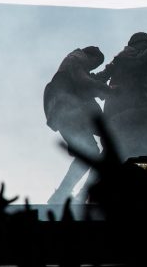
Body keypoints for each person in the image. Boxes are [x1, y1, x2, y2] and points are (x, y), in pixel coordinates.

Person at [43, 46, 110, 204]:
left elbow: (89, 82)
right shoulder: (76, 60)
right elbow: (84, 82)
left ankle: (64, 193)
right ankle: (71, 193)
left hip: (73, 114)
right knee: (92, 150)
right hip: (70, 113)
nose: (93, 67)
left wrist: (107, 73)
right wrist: (106, 89)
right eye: (95, 63)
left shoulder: (76, 66)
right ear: (90, 56)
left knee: (94, 150)